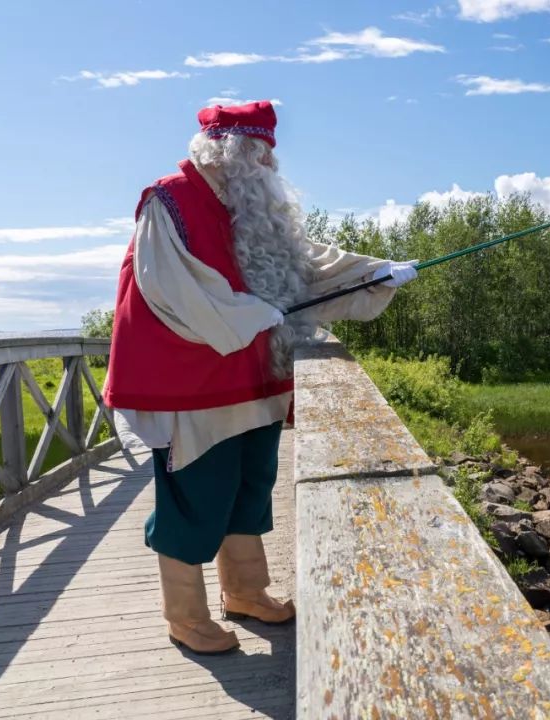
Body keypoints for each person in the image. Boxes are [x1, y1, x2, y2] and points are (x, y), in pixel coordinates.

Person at [103, 100, 417, 654]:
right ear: (230, 150)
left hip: (254, 377)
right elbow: (173, 287)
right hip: (194, 384)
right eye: (261, 153)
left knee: (250, 485)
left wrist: (373, 272)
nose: (270, 165)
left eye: (269, 154)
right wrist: (255, 314)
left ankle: (246, 590)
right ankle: (185, 615)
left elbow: (307, 262)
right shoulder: (168, 200)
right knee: (197, 495)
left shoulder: (248, 202)